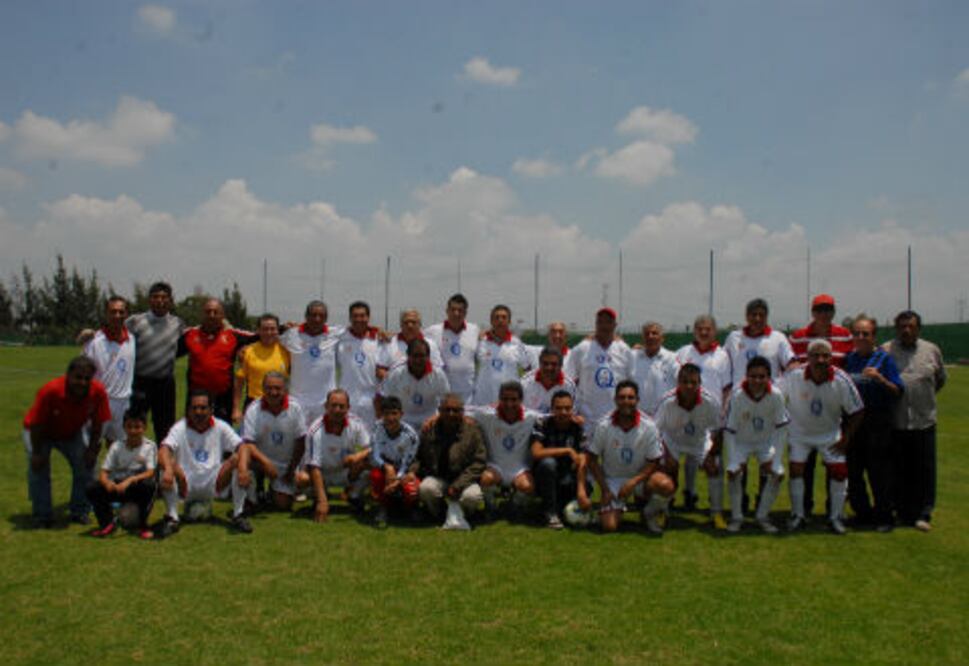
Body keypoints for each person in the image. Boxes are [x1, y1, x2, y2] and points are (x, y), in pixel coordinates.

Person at [721, 298, 794, 515]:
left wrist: (781, 388)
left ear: (766, 316)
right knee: (737, 461)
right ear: (747, 316)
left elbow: (791, 363)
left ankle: (762, 506)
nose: (757, 318)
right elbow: (723, 362)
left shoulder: (777, 338)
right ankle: (740, 503)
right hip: (740, 404)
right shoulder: (734, 337)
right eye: (753, 314)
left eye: (761, 314)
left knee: (768, 462)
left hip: (767, 406)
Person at [22, 356, 112, 527]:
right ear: (68, 375)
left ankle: (80, 510)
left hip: (70, 432)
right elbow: (36, 424)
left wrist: (92, 450)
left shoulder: (97, 392)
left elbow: (98, 423)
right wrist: (37, 453)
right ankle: (42, 515)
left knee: (86, 465)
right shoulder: (51, 391)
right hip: (40, 433)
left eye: (87, 378)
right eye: (78, 377)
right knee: (39, 469)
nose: (82, 382)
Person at [785, 340, 864, 534]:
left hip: (830, 435)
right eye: (815, 355)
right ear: (808, 357)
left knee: (839, 472)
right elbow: (778, 397)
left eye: (825, 356)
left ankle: (835, 517)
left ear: (831, 358)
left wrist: (845, 439)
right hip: (800, 433)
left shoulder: (841, 379)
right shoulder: (794, 376)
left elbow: (858, 410)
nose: (820, 360)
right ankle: (798, 515)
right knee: (796, 470)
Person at [788, 294, 854, 518]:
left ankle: (833, 510)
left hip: (835, 406)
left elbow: (849, 364)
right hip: (806, 407)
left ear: (833, 312)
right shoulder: (798, 337)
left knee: (835, 463)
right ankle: (802, 509)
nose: (824, 314)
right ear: (813, 312)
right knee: (803, 466)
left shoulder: (845, 336)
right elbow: (789, 366)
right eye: (820, 309)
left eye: (828, 309)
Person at [156, 389, 251, 537]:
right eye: (194, 408)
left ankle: (238, 514)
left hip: (215, 484)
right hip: (186, 484)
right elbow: (163, 450)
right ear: (188, 410)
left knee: (238, 459)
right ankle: (172, 518)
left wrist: (244, 468)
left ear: (211, 409)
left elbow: (243, 446)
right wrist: (168, 470)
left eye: (203, 408)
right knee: (168, 463)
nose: (198, 412)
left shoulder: (220, 426)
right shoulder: (180, 427)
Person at [583, 380, 673, 533]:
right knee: (609, 527)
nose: (626, 401)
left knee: (665, 485)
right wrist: (605, 489)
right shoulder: (603, 425)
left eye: (630, 398)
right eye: (622, 397)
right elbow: (591, 459)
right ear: (615, 400)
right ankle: (612, 509)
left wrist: (634, 481)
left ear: (637, 400)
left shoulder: (649, 426)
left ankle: (648, 513)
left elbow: (654, 461)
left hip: (639, 480)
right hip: (612, 481)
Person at [883, 310, 945, 532]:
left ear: (918, 328)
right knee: (899, 469)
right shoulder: (886, 351)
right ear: (896, 328)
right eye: (902, 327)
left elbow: (939, 380)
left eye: (911, 326)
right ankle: (902, 511)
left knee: (925, 470)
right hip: (897, 421)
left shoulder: (932, 350)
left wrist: (921, 399)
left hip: (923, 421)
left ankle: (923, 513)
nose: (906, 330)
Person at [843, 315, 904, 531]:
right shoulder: (849, 359)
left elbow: (898, 391)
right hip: (854, 421)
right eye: (857, 333)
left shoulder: (884, 359)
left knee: (879, 472)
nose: (860, 337)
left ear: (873, 336)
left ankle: (884, 516)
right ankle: (862, 514)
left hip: (877, 421)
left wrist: (880, 379)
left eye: (865, 334)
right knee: (854, 471)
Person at [654, 364, 726, 529]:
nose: (689, 386)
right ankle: (663, 511)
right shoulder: (667, 401)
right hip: (672, 440)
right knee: (668, 467)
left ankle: (716, 513)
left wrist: (712, 453)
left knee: (714, 467)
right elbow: (655, 430)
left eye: (693, 382)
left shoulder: (710, 401)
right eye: (685, 382)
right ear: (678, 382)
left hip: (699, 441)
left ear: (700, 383)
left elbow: (718, 429)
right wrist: (664, 452)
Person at [722, 357, 789, 533]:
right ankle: (737, 517)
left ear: (769, 377)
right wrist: (732, 461)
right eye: (753, 376)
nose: (757, 381)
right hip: (741, 443)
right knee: (734, 473)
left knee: (777, 473)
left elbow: (782, 428)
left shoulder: (776, 395)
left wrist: (777, 461)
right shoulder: (737, 395)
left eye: (762, 376)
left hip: (765, 443)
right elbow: (729, 430)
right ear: (746, 376)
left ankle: (762, 516)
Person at [674, 314, 731, 511]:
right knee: (688, 455)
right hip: (685, 413)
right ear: (694, 330)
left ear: (715, 331)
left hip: (711, 416)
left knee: (712, 458)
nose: (704, 332)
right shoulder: (683, 353)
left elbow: (726, 389)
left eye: (708, 329)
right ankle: (689, 493)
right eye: (700, 328)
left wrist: (722, 418)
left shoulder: (722, 355)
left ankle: (715, 506)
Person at [409, 393, 487, 529]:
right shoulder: (429, 430)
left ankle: (463, 515)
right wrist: (412, 474)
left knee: (472, 497)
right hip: (438, 477)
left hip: (464, 478)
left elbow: (479, 462)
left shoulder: (473, 431)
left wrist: (458, 485)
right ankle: (440, 514)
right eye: (447, 410)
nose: (451, 414)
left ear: (462, 412)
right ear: (439, 411)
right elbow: (418, 456)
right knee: (426, 489)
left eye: (456, 410)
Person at [238, 372, 308, 512]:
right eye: (269, 388)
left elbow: (301, 441)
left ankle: (272, 490)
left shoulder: (295, 408)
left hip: (285, 465)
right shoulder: (253, 409)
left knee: (283, 505)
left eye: (277, 388)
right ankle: (251, 494)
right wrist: (266, 463)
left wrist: (291, 470)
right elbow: (248, 443)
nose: (273, 392)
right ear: (263, 389)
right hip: (260, 461)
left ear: (285, 390)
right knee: (240, 458)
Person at [125, 281, 186, 441]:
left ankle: (163, 464)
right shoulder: (135, 322)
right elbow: (115, 332)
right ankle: (133, 461)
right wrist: (92, 334)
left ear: (171, 301)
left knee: (165, 428)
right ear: (149, 300)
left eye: (164, 297)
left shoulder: (178, 324)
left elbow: (192, 338)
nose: (160, 301)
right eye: (156, 297)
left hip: (165, 383)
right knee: (134, 424)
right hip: (140, 381)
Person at [472, 381, 541, 519]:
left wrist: (574, 418)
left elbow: (553, 416)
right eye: (505, 399)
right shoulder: (487, 415)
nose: (509, 404)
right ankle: (490, 508)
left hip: (519, 469)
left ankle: (513, 506)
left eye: (514, 400)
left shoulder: (531, 417)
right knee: (485, 479)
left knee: (527, 486)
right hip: (495, 467)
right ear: (499, 399)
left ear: (521, 400)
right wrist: (435, 416)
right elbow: (462, 411)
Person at [179, 298, 256, 422]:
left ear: (222, 315)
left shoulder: (232, 335)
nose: (212, 315)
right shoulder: (190, 334)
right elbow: (170, 349)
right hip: (196, 397)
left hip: (223, 397)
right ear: (202, 314)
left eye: (216, 312)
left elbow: (260, 336)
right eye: (208, 312)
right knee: (194, 433)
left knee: (223, 434)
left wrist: (283, 329)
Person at [85, 410, 157, 539]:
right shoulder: (116, 446)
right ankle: (107, 523)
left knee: (150, 486)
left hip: (135, 487)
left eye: (137, 427)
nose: (133, 431)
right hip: (117, 486)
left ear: (144, 428)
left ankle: (142, 526)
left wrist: (130, 480)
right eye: (129, 427)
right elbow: (103, 472)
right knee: (91, 488)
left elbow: (150, 472)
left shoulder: (150, 446)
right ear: (124, 427)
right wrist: (108, 483)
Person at [304, 389, 372, 523]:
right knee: (302, 478)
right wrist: (322, 502)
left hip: (346, 472)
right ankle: (321, 496)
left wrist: (358, 456)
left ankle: (354, 495)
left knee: (369, 464)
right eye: (333, 405)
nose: (337, 410)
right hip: (323, 474)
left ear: (348, 408)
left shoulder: (356, 422)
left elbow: (372, 448)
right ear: (326, 407)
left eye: (342, 406)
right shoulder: (315, 430)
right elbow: (314, 467)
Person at [565, 307, 634, 430]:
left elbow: (631, 384)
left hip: (616, 418)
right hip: (587, 419)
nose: (604, 326)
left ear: (615, 325)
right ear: (595, 324)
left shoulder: (624, 350)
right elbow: (569, 382)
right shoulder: (581, 349)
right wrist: (573, 412)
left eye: (608, 322)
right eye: (600, 322)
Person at [280, 300, 344, 426]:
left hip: (325, 401)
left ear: (326, 318)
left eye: (321, 316)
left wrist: (378, 331)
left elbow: (359, 328)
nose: (317, 319)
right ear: (306, 316)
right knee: (299, 440)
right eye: (313, 315)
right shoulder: (292, 334)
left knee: (323, 438)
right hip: (298, 401)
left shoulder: (335, 334)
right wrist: (245, 348)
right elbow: (267, 336)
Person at [83, 295, 136, 447]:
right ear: (106, 314)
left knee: (119, 450)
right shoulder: (94, 342)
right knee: (92, 447)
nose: (117, 316)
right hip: (99, 403)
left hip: (123, 404)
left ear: (126, 315)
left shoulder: (132, 339)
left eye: (121, 312)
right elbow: (83, 373)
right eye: (113, 312)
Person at [530, 390, 587, 529]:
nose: (563, 412)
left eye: (567, 408)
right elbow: (536, 453)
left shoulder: (578, 427)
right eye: (559, 408)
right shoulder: (542, 423)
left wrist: (581, 490)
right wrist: (566, 450)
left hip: (568, 475)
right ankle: (550, 513)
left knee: (584, 487)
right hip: (545, 477)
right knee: (548, 463)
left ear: (572, 409)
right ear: (551, 409)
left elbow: (583, 458)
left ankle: (562, 506)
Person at [369, 396, 422, 527]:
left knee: (411, 488)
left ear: (401, 414)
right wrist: (386, 467)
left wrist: (397, 480)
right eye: (386, 414)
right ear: (381, 415)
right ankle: (383, 508)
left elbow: (407, 462)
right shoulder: (376, 428)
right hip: (386, 467)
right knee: (376, 476)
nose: (390, 418)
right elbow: (375, 455)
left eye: (394, 413)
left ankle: (411, 508)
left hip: (405, 469)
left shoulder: (411, 435)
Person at [378, 338, 451, 431]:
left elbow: (446, 401)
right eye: (414, 356)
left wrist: (436, 418)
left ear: (428, 357)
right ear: (408, 356)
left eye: (421, 356)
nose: (418, 360)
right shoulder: (396, 373)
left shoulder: (438, 374)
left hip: (430, 420)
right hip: (403, 420)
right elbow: (384, 398)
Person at [233, 313, 291, 424]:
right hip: (254, 404)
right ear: (258, 331)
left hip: (280, 405)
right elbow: (239, 382)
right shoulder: (248, 352)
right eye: (265, 329)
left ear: (278, 330)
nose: (269, 332)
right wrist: (236, 409)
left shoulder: (287, 351)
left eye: (272, 329)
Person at [471, 304, 532, 406]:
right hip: (484, 400)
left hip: (509, 402)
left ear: (509, 321)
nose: (500, 320)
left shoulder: (516, 343)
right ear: (491, 321)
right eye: (497, 317)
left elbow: (527, 369)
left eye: (504, 317)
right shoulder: (480, 341)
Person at [423, 294, 480, 403]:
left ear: (465, 313)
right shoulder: (433, 331)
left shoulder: (474, 330)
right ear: (447, 311)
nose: (456, 313)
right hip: (441, 394)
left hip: (467, 395)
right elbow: (412, 337)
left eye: (460, 310)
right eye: (453, 309)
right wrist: (388, 335)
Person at [336, 301, 384, 427]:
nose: (359, 319)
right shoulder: (340, 338)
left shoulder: (378, 339)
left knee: (369, 438)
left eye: (362, 316)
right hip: (347, 398)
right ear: (350, 318)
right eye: (355, 316)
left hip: (371, 399)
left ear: (368, 317)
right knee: (348, 436)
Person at [631, 321, 679, 417]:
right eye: (647, 334)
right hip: (639, 417)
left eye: (654, 333)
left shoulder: (672, 358)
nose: (650, 336)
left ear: (662, 338)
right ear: (642, 338)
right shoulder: (632, 357)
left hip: (665, 417)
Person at [379, 309, 444, 372]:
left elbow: (438, 370)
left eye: (413, 322)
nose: (410, 325)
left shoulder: (431, 345)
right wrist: (395, 380)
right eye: (406, 322)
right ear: (401, 325)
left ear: (420, 324)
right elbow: (380, 370)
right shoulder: (390, 343)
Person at [521, 346, 577, 414]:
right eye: (545, 363)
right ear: (539, 363)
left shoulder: (569, 386)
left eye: (554, 364)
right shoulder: (525, 382)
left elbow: (572, 413)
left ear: (561, 365)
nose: (549, 368)